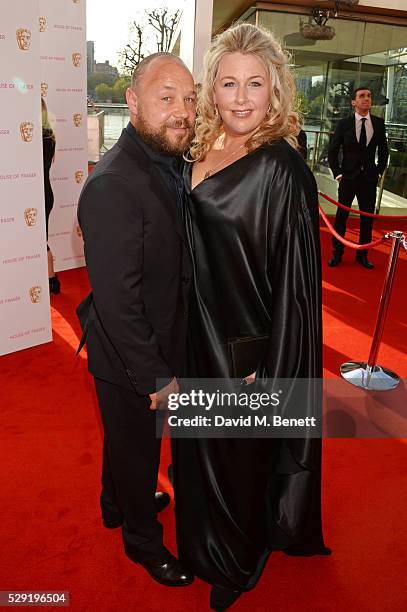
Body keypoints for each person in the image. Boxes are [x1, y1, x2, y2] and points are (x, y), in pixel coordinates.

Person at [172, 23, 330, 611]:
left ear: (275, 92)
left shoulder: (283, 169)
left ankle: (238, 563)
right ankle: (202, 545)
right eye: (229, 83)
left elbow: (297, 287)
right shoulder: (200, 150)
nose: (241, 98)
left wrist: (275, 366)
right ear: (212, 89)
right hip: (194, 333)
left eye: (254, 84)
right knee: (198, 450)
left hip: (245, 346)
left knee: (239, 461)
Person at [76, 52, 196, 587]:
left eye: (189, 99)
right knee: (139, 443)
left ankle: (114, 502)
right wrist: (158, 376)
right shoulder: (114, 183)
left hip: (152, 336)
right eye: (166, 97)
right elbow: (118, 300)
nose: (182, 111)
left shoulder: (165, 160)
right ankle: (142, 543)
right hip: (130, 353)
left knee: (125, 441)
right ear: (132, 101)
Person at [327, 87, 389, 269]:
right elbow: (333, 151)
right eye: (362, 96)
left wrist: (378, 171)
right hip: (348, 178)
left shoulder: (378, 123)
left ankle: (362, 255)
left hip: (369, 179)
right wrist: (338, 173)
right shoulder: (344, 124)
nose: (366, 99)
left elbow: (384, 152)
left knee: (367, 219)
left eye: (369, 96)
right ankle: (337, 253)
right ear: (353, 102)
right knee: (341, 217)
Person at [41, 98, 60, 294]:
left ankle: (51, 278)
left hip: (38, 194)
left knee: (40, 239)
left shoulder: (37, 138)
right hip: (46, 192)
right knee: (41, 237)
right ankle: (51, 280)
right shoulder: (49, 135)